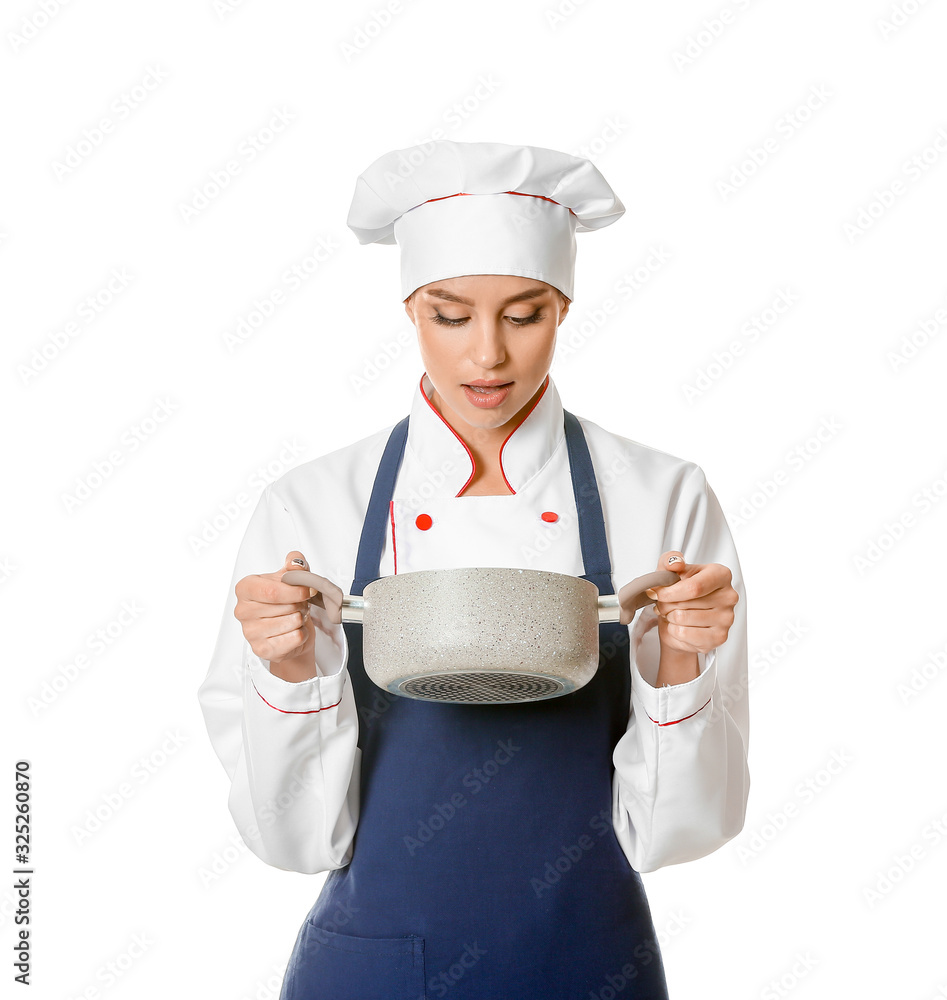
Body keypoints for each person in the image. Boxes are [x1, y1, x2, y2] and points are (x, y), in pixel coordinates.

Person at [197, 140, 750, 1000]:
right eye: (449, 316)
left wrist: (676, 665)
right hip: (376, 965)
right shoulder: (314, 503)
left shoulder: (659, 496)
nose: (486, 356)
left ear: (563, 307)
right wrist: (292, 669)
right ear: (410, 309)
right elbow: (293, 842)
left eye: (523, 315)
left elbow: (679, 835)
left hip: (593, 964)